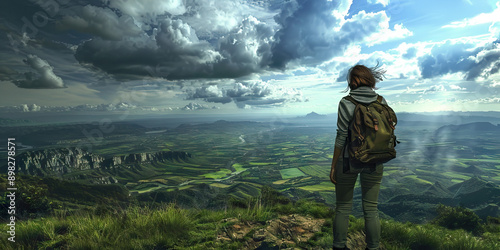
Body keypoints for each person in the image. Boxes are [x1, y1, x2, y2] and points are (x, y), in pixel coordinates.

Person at [329, 64, 387, 250]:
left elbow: (341, 136)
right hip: (375, 161)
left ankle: (339, 246)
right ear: (370, 79)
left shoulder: (346, 102)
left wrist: (334, 165)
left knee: (343, 208)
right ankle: (373, 247)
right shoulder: (381, 100)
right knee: (371, 209)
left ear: (352, 81)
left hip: (348, 161)